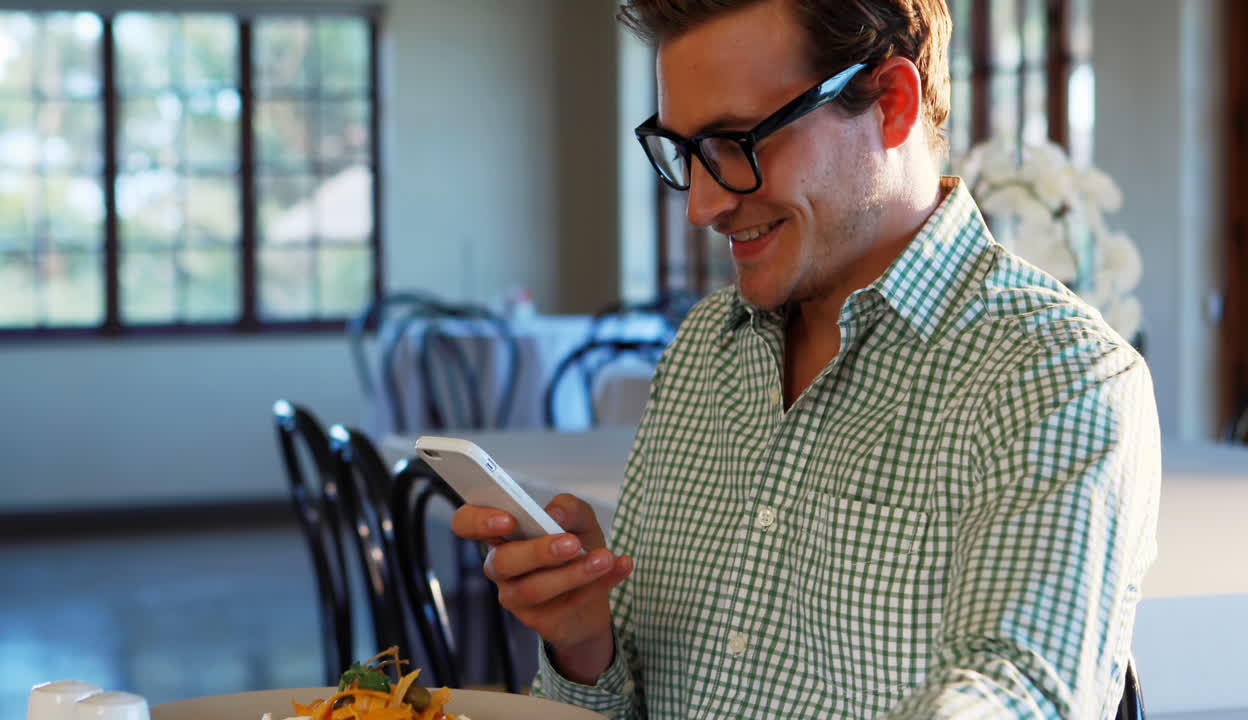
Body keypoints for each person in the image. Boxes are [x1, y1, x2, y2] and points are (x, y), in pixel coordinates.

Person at [452, 0, 1161, 717]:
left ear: (890, 102)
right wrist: (584, 642)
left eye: (738, 141)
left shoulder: (1057, 380)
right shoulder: (705, 351)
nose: (701, 205)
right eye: (686, 150)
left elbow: (1016, 696)